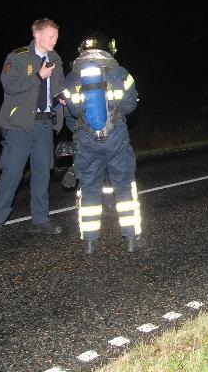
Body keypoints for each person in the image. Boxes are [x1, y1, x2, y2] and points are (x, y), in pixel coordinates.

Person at [0, 18, 66, 245]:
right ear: (37, 35)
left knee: (42, 174)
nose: (54, 40)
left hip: (43, 126)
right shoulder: (17, 57)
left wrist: (62, 100)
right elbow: (9, 86)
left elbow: (57, 91)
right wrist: (38, 77)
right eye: (51, 36)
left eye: (56, 37)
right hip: (19, 127)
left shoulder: (56, 60)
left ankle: (40, 221)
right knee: (12, 176)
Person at [63, 36, 141, 254]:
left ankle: (89, 241)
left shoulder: (71, 78)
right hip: (116, 136)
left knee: (89, 190)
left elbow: (71, 111)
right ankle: (131, 238)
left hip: (86, 139)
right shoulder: (120, 72)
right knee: (124, 187)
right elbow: (130, 104)